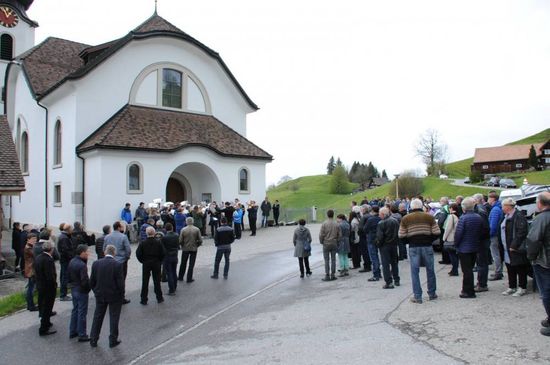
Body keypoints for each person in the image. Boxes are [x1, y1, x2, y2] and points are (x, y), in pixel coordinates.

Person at [399, 198, 440, 303]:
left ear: (411, 207)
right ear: (421, 206)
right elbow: (437, 232)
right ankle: (432, 293)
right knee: (430, 270)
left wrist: (409, 241)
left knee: (414, 272)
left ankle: (417, 296)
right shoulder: (429, 217)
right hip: (427, 245)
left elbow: (401, 235)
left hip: (414, 247)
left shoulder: (405, 218)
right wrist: (428, 239)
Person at [89, 245, 125, 348]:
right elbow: (120, 284)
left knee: (98, 316)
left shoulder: (96, 263)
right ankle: (112, 339)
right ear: (114, 253)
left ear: (105, 252)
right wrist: (121, 295)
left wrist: (96, 291)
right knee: (114, 317)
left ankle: (93, 339)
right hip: (114, 295)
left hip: (100, 294)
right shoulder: (117, 265)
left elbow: (92, 281)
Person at [454, 197, 488, 299]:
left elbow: (458, 234)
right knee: (470, 269)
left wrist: (456, 244)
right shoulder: (478, 217)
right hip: (474, 246)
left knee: (467, 271)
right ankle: (468, 289)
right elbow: (482, 231)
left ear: (464, 207)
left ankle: (468, 291)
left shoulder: (463, 218)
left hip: (464, 248)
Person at [526, 192, 550, 336]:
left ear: (540, 203)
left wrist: (531, 257)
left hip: (545, 261)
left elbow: (533, 240)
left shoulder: (541, 218)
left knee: (546, 292)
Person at [499, 198, 530, 297]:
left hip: (515, 247)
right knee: (510, 267)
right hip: (506, 247)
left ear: (508, 206)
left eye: (503, 206)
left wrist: (514, 245)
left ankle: (522, 287)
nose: (502, 208)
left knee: (520, 267)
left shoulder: (518, 216)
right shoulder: (506, 216)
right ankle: (512, 286)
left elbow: (522, 232)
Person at [103, 221, 131, 304]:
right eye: (121, 227)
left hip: (110, 260)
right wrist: (126, 257)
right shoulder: (123, 237)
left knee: (110, 279)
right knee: (121, 280)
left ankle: (110, 296)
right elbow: (128, 250)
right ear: (119, 227)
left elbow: (104, 248)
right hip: (121, 261)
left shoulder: (107, 237)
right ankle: (121, 298)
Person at [136, 226, 165, 305]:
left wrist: (142, 261)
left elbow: (138, 254)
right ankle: (159, 297)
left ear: (146, 233)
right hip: (156, 263)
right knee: (157, 281)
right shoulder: (158, 242)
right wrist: (160, 261)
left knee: (145, 281)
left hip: (146, 263)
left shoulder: (143, 243)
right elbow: (163, 253)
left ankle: (144, 299)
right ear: (154, 233)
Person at [34, 240, 57, 336]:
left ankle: (46, 322)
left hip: (40, 285)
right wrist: (54, 285)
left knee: (43, 305)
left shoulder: (38, 257)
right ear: (51, 249)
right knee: (47, 307)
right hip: (48, 288)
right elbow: (50, 276)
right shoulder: (48, 260)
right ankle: (43, 328)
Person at [68, 244, 91, 342]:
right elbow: (84, 281)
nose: (88, 254)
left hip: (74, 288)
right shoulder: (82, 265)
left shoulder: (72, 261)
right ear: (82, 253)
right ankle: (82, 334)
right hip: (81, 290)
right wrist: (88, 288)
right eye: (87, 252)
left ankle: (73, 331)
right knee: (82, 312)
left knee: (75, 310)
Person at [376, 207, 400, 289]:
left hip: (385, 245)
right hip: (394, 244)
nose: (379, 215)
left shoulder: (381, 223)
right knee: (394, 262)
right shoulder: (395, 221)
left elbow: (380, 237)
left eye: (380, 214)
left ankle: (389, 282)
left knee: (385, 264)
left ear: (383, 214)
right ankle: (396, 279)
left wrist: (378, 244)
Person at [319, 209, 341, 281]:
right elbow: (339, 235)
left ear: (327, 215)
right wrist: (337, 241)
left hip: (326, 243)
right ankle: (333, 274)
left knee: (326, 260)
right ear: (333, 215)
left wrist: (321, 241)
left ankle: (327, 275)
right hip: (334, 242)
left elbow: (321, 234)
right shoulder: (336, 224)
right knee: (333, 259)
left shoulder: (324, 224)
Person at [179, 217, 203, 283]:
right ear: (193, 222)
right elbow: (200, 240)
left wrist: (182, 245)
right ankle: (189, 278)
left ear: (186, 222)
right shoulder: (196, 229)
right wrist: (197, 245)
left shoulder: (183, 229)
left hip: (185, 248)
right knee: (191, 264)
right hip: (193, 248)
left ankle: (180, 276)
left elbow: (180, 240)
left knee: (183, 263)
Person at [488, 192, 504, 281]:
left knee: (495, 254)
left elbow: (493, 226)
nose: (488, 200)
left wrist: (489, 235)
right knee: (497, 254)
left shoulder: (495, 210)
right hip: (497, 235)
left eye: (489, 198)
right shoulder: (498, 208)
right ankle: (499, 271)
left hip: (494, 236)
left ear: (493, 199)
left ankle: (498, 272)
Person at [161, 223, 179, 295]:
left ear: (166, 229)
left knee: (169, 273)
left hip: (167, 256)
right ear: (172, 228)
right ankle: (175, 286)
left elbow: (162, 248)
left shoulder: (164, 237)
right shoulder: (176, 235)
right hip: (175, 255)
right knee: (174, 271)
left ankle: (171, 290)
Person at [57, 223, 74, 301]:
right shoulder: (64, 238)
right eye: (71, 229)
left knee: (64, 276)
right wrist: (72, 257)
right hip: (65, 260)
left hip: (64, 260)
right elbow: (66, 250)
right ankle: (63, 295)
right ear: (68, 229)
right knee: (64, 277)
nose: (72, 230)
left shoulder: (64, 236)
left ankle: (63, 294)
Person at [442, 203, 460, 276]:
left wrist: (444, 237)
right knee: (454, 255)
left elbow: (448, 228)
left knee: (452, 255)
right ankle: (454, 269)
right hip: (455, 237)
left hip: (450, 237)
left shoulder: (451, 216)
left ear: (452, 208)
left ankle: (454, 270)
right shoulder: (457, 216)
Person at [365, 206, 382, 281]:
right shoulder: (380, 218)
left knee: (374, 257)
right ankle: (379, 273)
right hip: (379, 238)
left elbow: (365, 229)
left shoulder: (370, 219)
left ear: (372, 211)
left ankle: (376, 274)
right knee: (378, 256)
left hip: (371, 239)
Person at [23, 233, 38, 311]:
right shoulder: (28, 248)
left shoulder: (31, 246)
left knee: (31, 288)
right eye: (33, 239)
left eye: (35, 239)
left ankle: (30, 305)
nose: (34, 240)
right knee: (31, 289)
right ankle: (31, 306)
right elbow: (35, 255)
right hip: (31, 270)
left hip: (31, 269)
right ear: (28, 239)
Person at [358, 205, 372, 272]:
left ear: (364, 210)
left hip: (363, 236)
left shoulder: (364, 217)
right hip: (369, 235)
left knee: (365, 252)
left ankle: (367, 266)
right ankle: (369, 264)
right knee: (369, 251)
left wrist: (359, 233)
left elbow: (360, 228)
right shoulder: (370, 216)